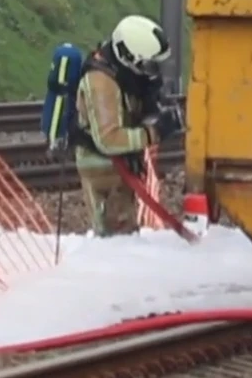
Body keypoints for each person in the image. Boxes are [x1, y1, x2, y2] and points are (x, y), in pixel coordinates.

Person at [73, 15, 182, 236]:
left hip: (117, 168)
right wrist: (154, 132)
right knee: (116, 239)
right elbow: (109, 139)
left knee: (126, 234)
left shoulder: (122, 73)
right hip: (103, 172)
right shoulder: (101, 82)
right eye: (149, 65)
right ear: (129, 57)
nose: (152, 73)